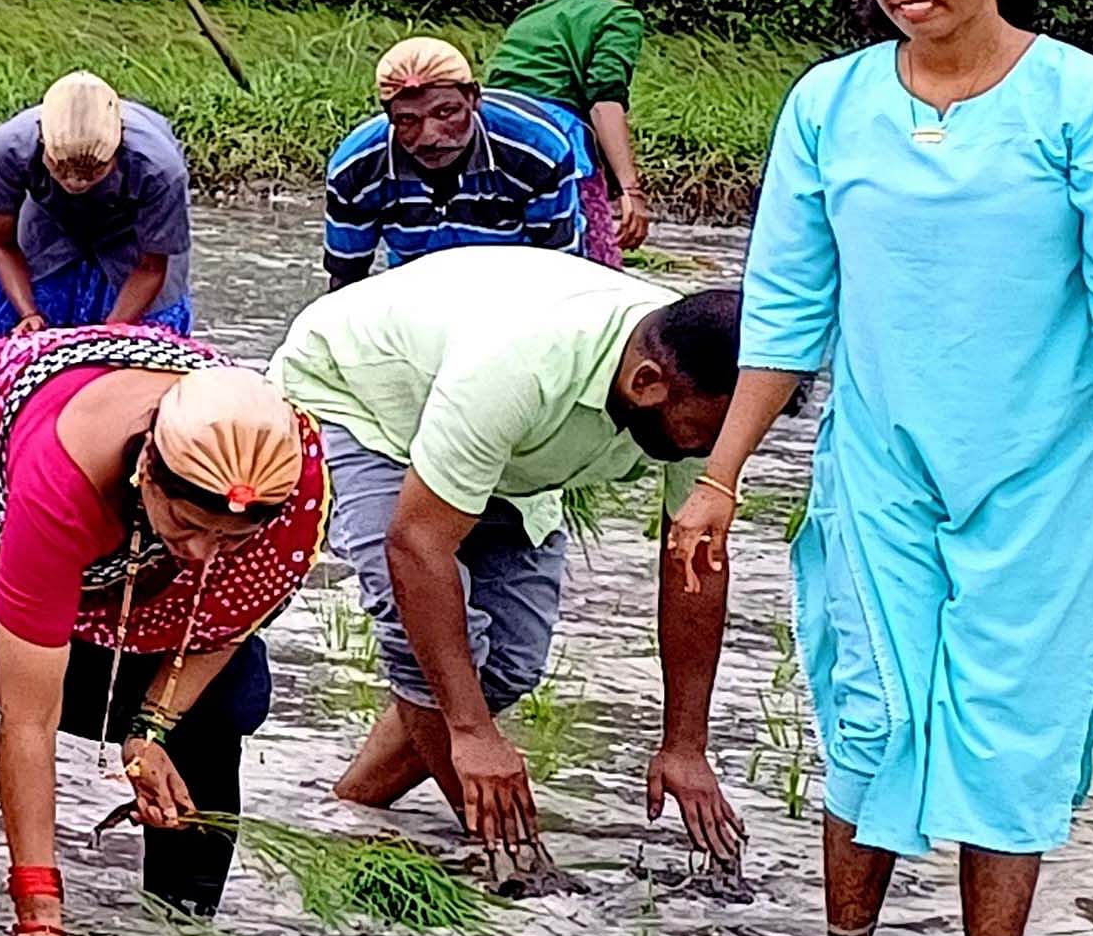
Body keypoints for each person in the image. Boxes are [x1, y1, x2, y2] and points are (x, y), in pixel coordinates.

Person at [679, 0, 1093, 936]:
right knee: (866, 705)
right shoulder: (827, 103)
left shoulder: (1086, 101)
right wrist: (718, 475)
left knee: (1010, 720)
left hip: (1048, 472)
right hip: (879, 460)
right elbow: (784, 309)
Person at [0, 333, 320, 936]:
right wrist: (38, 911)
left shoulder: (286, 476)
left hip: (138, 566)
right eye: (186, 524)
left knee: (212, 717)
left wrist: (151, 728)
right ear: (147, 469)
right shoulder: (61, 473)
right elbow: (27, 717)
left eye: (230, 537)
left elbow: (227, 617)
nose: (204, 553)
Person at [265, 246, 743, 865]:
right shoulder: (519, 365)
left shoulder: (707, 397)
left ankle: (347, 811)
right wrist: (470, 733)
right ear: (646, 383)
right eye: (699, 435)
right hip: (368, 405)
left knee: (509, 663)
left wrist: (685, 744)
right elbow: (416, 545)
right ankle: (508, 862)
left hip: (509, 456)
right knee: (429, 650)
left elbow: (694, 566)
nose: (707, 449)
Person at [0, 71, 191, 371]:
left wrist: (107, 335)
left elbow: (151, 267)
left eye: (93, 171)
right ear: (42, 140)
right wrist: (29, 313)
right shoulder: (9, 148)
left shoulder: (160, 170)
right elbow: (1, 244)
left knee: (149, 362)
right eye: (61, 168)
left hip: (133, 239)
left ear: (117, 149)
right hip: (47, 221)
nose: (76, 183)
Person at [322, 37, 592, 287]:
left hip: (516, 283)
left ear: (474, 98)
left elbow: (561, 267)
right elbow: (346, 278)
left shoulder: (536, 149)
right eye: (407, 120)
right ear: (389, 116)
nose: (428, 136)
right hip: (416, 285)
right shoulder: (356, 168)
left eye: (446, 112)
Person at [482, 0, 654, 263]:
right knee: (593, 269)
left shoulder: (535, 13)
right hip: (557, 146)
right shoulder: (619, 15)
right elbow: (605, 99)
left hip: (489, 141)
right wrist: (630, 190)